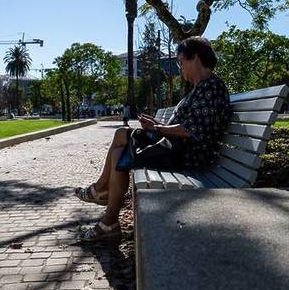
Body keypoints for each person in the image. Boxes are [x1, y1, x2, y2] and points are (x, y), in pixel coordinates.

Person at [73, 36, 231, 241]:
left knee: (121, 147)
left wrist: (157, 128)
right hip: (177, 148)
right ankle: (106, 211)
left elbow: (191, 131)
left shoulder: (211, 87)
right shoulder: (201, 88)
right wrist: (156, 126)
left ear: (195, 58)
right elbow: (186, 127)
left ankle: (103, 200)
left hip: (188, 156)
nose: (180, 67)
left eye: (180, 61)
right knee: (120, 142)